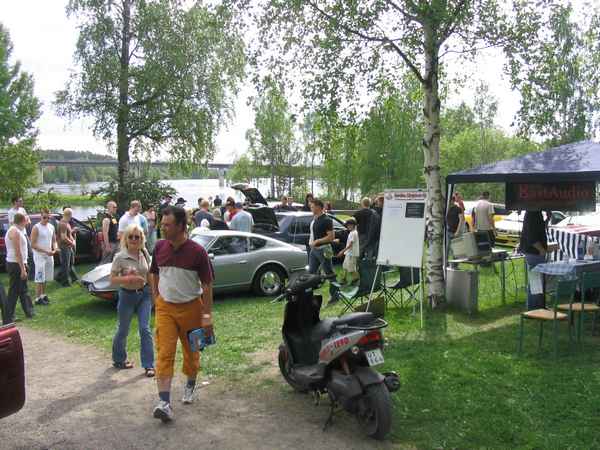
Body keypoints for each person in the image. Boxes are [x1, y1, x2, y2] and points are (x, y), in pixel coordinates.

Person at [150, 206, 214, 422]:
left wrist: (207, 317)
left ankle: (190, 384)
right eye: (162, 224)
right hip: (165, 308)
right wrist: (156, 298)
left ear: (180, 226)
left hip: (192, 308)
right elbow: (154, 273)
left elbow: (207, 285)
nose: (162, 228)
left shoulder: (198, 252)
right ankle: (164, 403)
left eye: (167, 225)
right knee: (164, 352)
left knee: (192, 352)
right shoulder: (159, 247)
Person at [110, 224, 155, 377]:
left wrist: (154, 294)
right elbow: (112, 279)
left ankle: (149, 365)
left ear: (142, 239)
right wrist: (128, 278)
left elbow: (150, 274)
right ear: (126, 239)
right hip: (127, 296)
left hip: (144, 295)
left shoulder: (144, 253)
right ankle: (119, 359)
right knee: (123, 329)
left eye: (137, 237)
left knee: (145, 329)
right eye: (131, 236)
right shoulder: (120, 257)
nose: (134, 239)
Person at [3, 213, 34, 323]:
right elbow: (17, 252)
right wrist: (22, 269)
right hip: (15, 264)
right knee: (14, 291)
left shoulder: (18, 230)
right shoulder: (14, 231)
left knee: (23, 289)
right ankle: (8, 317)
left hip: (18, 263)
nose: (27, 222)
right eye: (26, 220)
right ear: (22, 221)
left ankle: (29, 312)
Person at [520, 211, 548, 310]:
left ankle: (539, 306)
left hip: (535, 252)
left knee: (538, 282)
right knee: (535, 282)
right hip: (534, 252)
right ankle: (534, 308)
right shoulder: (532, 214)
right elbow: (531, 237)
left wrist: (547, 219)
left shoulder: (536, 213)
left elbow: (538, 231)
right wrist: (541, 249)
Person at [31, 208, 57, 306]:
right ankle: (37, 298)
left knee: (46, 276)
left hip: (49, 255)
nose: (46, 219)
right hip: (39, 256)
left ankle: (43, 295)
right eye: (44, 217)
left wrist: (55, 249)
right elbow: (33, 244)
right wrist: (46, 251)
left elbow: (54, 240)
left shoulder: (51, 226)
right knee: (40, 277)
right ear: (41, 216)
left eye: (48, 217)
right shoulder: (36, 227)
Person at [308, 198, 336, 280]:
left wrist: (317, 241)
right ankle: (312, 288)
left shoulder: (327, 220)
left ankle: (335, 287)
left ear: (318, 207)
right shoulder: (315, 219)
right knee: (311, 272)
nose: (311, 209)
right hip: (314, 250)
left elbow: (331, 237)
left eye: (312, 207)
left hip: (324, 250)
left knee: (329, 273)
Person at [55, 208, 78, 287]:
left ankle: (59, 277)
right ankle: (65, 282)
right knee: (66, 265)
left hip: (68, 246)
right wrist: (72, 243)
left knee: (70, 263)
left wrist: (72, 235)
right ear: (69, 215)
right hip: (64, 247)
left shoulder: (66, 223)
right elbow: (63, 237)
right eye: (71, 215)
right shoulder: (63, 224)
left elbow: (68, 234)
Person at [337, 218, 359, 285]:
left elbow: (350, 245)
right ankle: (344, 279)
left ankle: (356, 279)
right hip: (349, 253)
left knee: (351, 268)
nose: (347, 226)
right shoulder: (352, 232)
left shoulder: (353, 233)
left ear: (353, 225)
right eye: (347, 225)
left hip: (352, 254)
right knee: (345, 267)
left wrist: (342, 251)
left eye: (349, 225)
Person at [446, 193, 466, 257]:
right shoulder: (447, 209)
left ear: (453, 201)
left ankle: (456, 260)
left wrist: (457, 231)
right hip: (448, 230)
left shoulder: (458, 208)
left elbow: (461, 220)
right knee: (447, 247)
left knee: (456, 247)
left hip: (455, 231)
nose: (448, 202)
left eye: (450, 201)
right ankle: (446, 260)